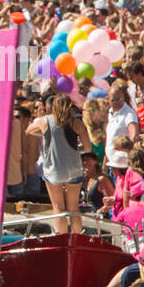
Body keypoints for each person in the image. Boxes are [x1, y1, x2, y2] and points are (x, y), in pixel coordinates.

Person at [27, 94, 93, 234]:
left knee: (58, 208)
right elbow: (88, 148)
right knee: (74, 208)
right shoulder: (76, 123)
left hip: (54, 170)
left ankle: (62, 237)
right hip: (74, 169)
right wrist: (76, 149)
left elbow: (29, 130)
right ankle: (76, 238)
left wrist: (43, 129)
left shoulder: (45, 121)